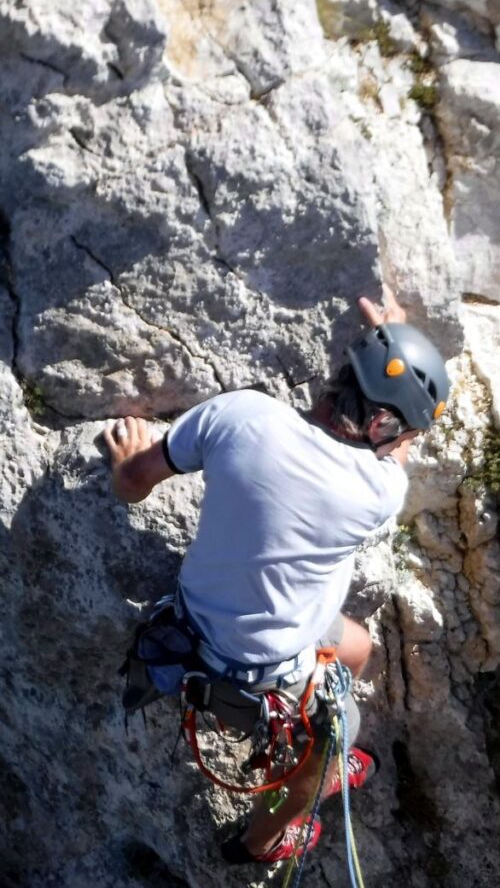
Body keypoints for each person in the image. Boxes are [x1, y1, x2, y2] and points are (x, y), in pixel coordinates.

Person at [105, 286, 449, 863]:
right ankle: (261, 841)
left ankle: (302, 741)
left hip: (193, 632)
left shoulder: (240, 415)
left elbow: (134, 483)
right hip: (255, 680)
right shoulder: (380, 490)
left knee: (357, 647)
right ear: (387, 430)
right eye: (407, 432)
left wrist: (124, 462)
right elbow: (395, 453)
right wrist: (400, 359)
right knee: (336, 747)